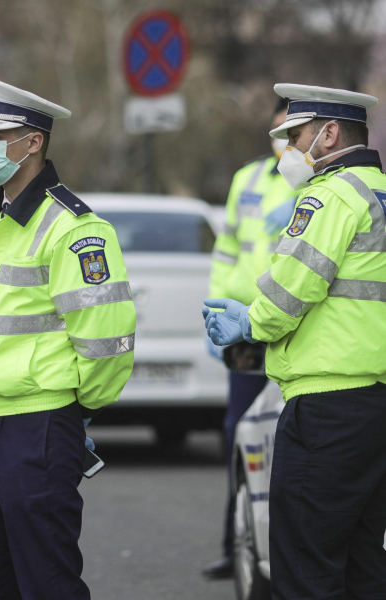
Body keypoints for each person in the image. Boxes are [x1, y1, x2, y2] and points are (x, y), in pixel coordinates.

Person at [0, 73, 136, 600]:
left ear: (33, 141)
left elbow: (106, 337)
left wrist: (77, 410)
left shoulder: (75, 229)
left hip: (40, 422)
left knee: (46, 582)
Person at [203, 83, 386, 599]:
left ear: (328, 134)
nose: (286, 148)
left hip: (327, 405)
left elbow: (291, 290)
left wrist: (249, 321)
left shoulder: (330, 195)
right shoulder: (378, 190)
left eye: (295, 135)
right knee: (363, 565)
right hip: (373, 401)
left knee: (304, 566)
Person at [202, 98, 298, 579]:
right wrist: (218, 309)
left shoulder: (317, 186)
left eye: (292, 132)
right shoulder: (249, 180)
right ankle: (234, 542)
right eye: (277, 133)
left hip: (293, 323)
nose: (284, 142)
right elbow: (226, 251)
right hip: (245, 328)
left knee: (290, 433)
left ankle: (284, 542)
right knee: (239, 430)